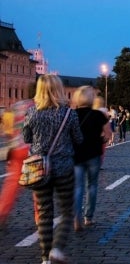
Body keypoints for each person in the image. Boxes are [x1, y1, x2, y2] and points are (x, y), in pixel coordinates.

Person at [22, 74, 83, 264]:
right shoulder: (68, 113)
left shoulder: (32, 113)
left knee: (44, 212)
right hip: (64, 167)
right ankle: (56, 249)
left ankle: (44, 257)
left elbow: (26, 138)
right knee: (67, 211)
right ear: (59, 90)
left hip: (39, 168)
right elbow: (78, 139)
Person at [72, 86, 110, 231]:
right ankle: (89, 217)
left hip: (76, 155)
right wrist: (102, 141)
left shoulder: (72, 114)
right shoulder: (98, 115)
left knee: (78, 187)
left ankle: (76, 218)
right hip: (94, 154)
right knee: (92, 186)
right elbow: (107, 134)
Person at [0, 99, 35, 227]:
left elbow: (7, 132)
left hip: (17, 149)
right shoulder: (38, 107)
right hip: (32, 150)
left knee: (12, 184)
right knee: (38, 185)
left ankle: (2, 212)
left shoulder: (17, 106)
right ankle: (40, 217)